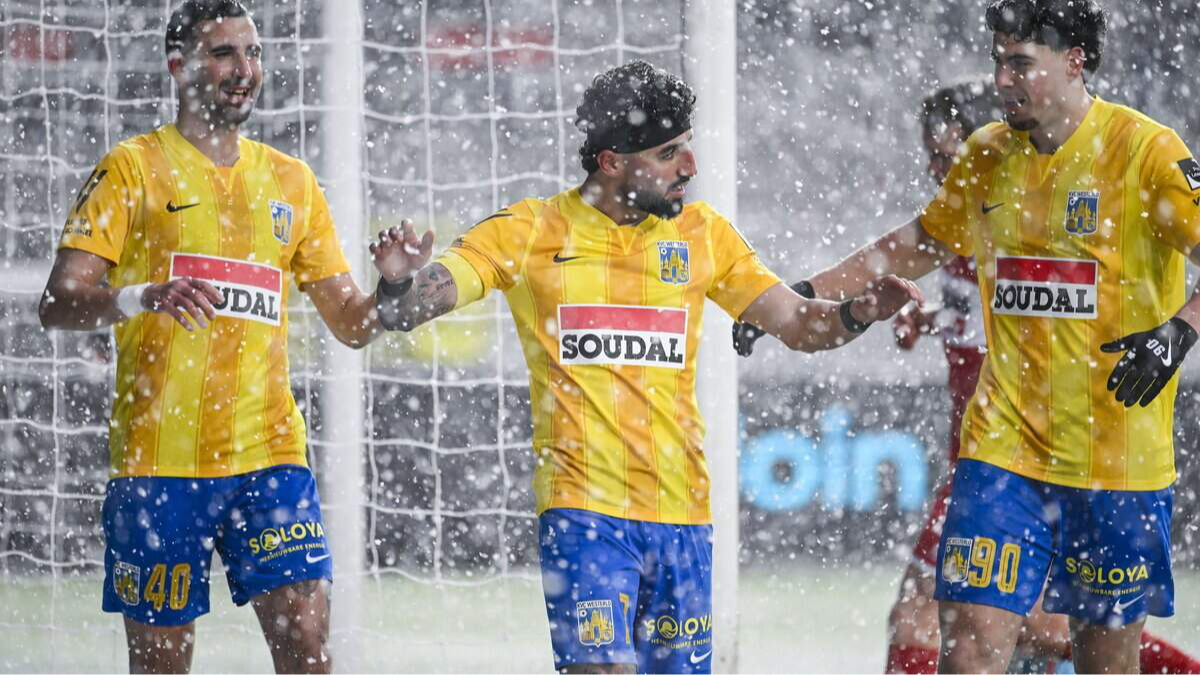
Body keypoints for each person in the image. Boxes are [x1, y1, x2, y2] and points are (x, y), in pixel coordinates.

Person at [366, 60, 921, 674]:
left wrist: (857, 311)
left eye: (687, 146)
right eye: (668, 153)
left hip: (681, 517)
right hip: (583, 511)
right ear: (611, 162)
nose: (690, 167)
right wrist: (398, 285)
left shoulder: (705, 236)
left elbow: (795, 323)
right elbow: (421, 301)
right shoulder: (529, 231)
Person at [735, 1, 1200, 672]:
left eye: (1021, 64)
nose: (1003, 79)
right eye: (998, 61)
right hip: (1002, 454)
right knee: (968, 652)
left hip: (1116, 462)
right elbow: (915, 243)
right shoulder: (988, 154)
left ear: (1075, 61)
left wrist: (1178, 332)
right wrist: (802, 293)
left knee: (1106, 663)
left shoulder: (1145, 152)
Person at [38, 2, 409, 673]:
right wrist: (139, 295)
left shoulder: (292, 182)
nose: (244, 69)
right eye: (223, 54)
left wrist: (393, 288)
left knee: (308, 650)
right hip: (160, 466)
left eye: (253, 52)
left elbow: (352, 324)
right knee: (161, 666)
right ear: (178, 67)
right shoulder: (132, 168)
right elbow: (58, 301)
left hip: (269, 457)